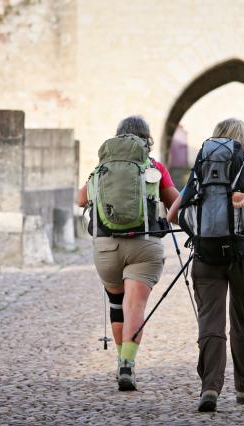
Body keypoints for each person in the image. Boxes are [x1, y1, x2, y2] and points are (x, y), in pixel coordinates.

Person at [167, 118, 244, 412]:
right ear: (243, 143)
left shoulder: (200, 175)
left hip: (206, 255)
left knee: (210, 320)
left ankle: (210, 387)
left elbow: (172, 216)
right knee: (241, 319)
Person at [76, 115, 179, 391]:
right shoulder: (154, 167)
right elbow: (174, 207)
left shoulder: (103, 167)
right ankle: (127, 363)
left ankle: (120, 360)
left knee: (116, 303)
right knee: (135, 305)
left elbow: (80, 199)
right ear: (148, 139)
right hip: (144, 245)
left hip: (107, 246)